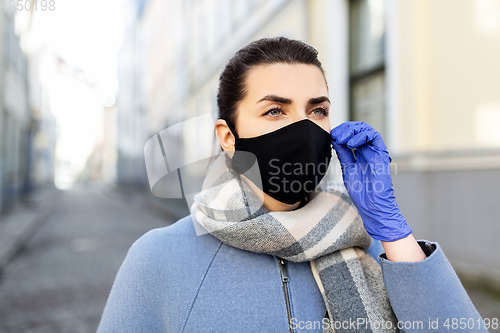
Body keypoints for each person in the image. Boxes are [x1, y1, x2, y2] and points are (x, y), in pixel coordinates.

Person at [97, 37, 487, 333]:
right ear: (228, 137)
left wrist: (392, 230)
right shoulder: (158, 259)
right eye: (274, 111)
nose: (303, 129)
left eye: (317, 110)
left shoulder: (370, 248)